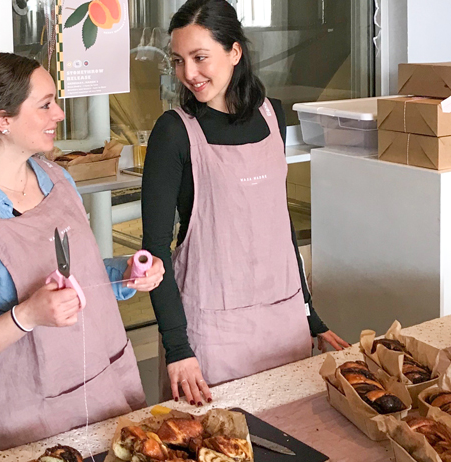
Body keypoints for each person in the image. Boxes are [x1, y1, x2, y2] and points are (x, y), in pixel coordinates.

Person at [0, 53, 163, 462]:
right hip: (19, 421)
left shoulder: (57, 177)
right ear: (3, 119)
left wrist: (126, 274)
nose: (59, 113)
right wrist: (27, 315)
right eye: (45, 104)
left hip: (102, 390)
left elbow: (81, 278)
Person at [141, 0, 350, 406]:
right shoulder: (174, 133)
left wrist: (309, 314)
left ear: (234, 52)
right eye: (179, 60)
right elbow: (154, 251)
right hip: (212, 334)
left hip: (283, 321)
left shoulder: (274, 115)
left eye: (200, 58)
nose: (189, 74)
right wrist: (178, 348)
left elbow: (278, 223)